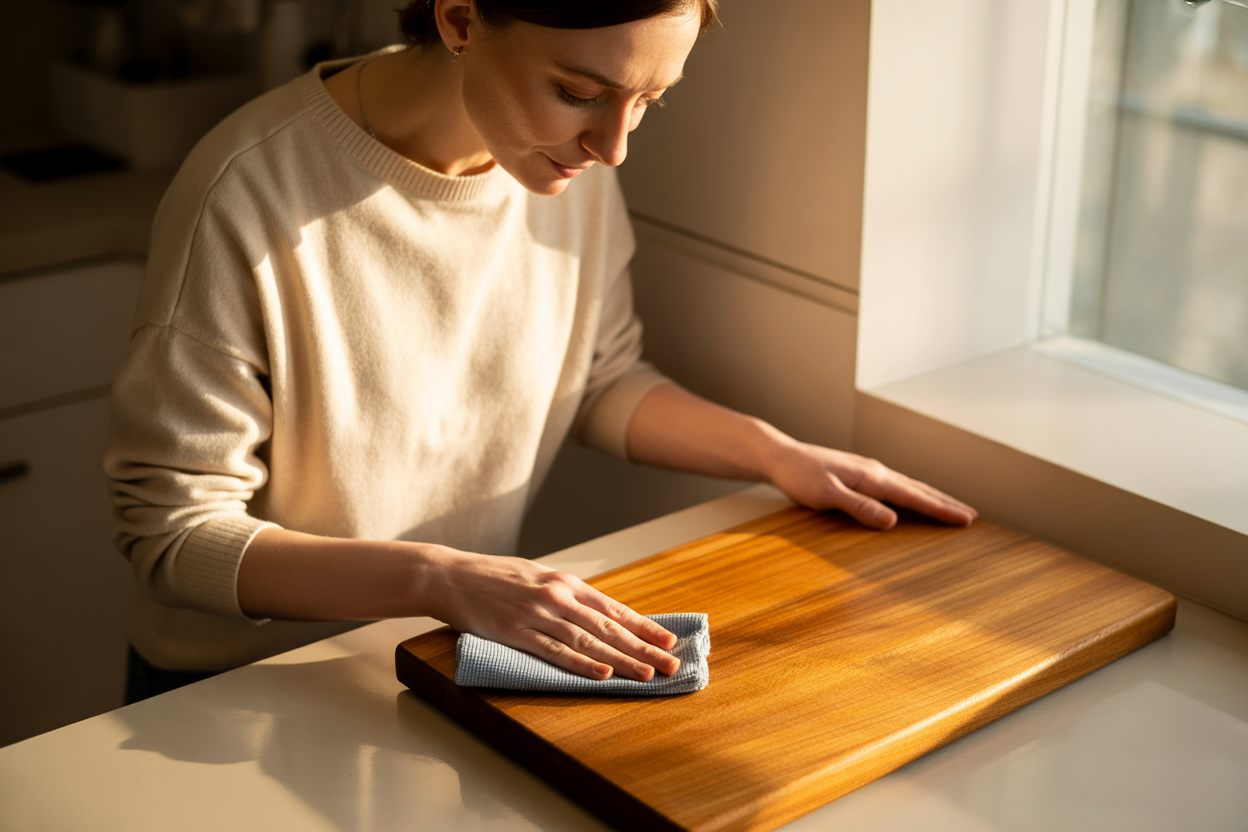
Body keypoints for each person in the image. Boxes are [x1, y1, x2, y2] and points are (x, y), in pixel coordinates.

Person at [105, 0, 976, 701]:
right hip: (237, 695)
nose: (615, 146)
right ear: (459, 20)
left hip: (438, 664)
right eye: (578, 91)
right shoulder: (244, 188)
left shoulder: (563, 167)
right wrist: (442, 580)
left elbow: (596, 379)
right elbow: (174, 537)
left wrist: (773, 454)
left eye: (649, 101)